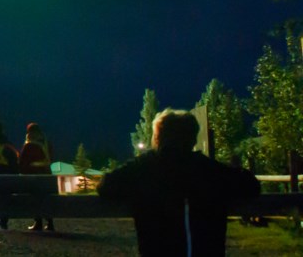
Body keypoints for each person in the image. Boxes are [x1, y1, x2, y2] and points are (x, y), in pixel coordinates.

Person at [98, 108, 260, 256]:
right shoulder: (209, 170)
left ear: (157, 137)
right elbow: (251, 186)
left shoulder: (143, 168)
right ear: (193, 139)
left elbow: (106, 186)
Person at [18, 122, 55, 231]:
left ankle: (38, 222)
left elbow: (22, 162)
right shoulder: (47, 143)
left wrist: (23, 173)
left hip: (34, 175)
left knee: (35, 199)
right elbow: (51, 158)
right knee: (46, 199)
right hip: (47, 173)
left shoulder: (29, 145)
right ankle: (50, 223)